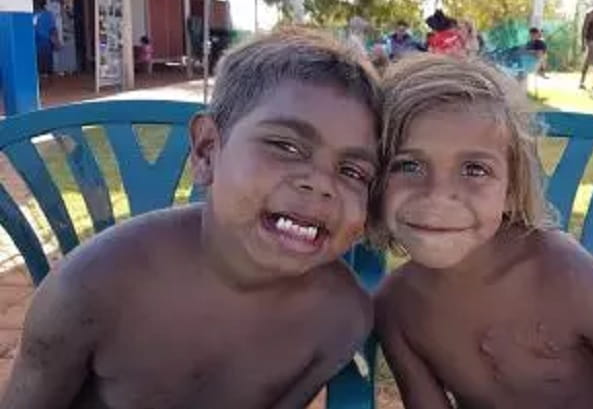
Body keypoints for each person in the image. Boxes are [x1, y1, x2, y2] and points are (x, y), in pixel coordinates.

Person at [1, 28, 381, 409]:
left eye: (353, 172)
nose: (320, 185)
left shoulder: (341, 320)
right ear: (206, 151)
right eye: (286, 146)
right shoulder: (93, 286)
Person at [372, 53, 593, 409]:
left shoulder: (566, 275)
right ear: (373, 180)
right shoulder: (396, 306)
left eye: (474, 169)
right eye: (408, 165)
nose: (437, 195)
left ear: (513, 188)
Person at [34, 0, 59, 79]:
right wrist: (56, 42)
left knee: (42, 68)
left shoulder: (32, 15)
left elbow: (52, 31)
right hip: (44, 45)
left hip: (40, 45)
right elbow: (53, 31)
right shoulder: (48, 15)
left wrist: (56, 42)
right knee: (45, 69)